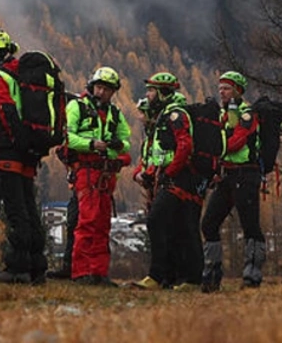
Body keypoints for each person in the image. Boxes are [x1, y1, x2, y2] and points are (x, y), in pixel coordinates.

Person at [0, 29, 48, 284]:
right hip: (27, 151)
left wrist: (14, 142)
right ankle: (38, 266)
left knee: (16, 211)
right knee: (28, 207)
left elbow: (5, 110)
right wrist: (28, 147)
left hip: (9, 150)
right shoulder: (19, 74)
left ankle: (18, 267)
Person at [132, 72, 202, 290]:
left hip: (179, 176)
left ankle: (162, 275)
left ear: (163, 92)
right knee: (179, 226)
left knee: (160, 221)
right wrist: (152, 173)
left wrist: (169, 172)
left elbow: (184, 146)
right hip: (169, 175)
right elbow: (161, 151)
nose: (148, 95)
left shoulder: (175, 115)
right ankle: (175, 277)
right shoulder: (165, 115)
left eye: (151, 90)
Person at [66, 66, 131, 286]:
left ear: (113, 92)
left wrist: (114, 147)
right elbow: (68, 137)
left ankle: (99, 272)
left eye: (107, 89)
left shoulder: (115, 114)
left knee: (103, 224)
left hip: (106, 173)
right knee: (87, 221)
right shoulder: (76, 107)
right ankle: (81, 272)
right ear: (92, 86)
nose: (101, 92)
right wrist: (91, 144)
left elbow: (126, 143)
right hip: (86, 170)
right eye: (99, 87)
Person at [201, 70, 265, 291]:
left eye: (226, 88)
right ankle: (211, 274)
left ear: (238, 90)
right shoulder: (224, 115)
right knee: (209, 223)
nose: (222, 91)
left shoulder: (248, 114)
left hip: (245, 174)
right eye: (220, 88)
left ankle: (252, 276)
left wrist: (215, 149)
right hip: (227, 175)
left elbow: (236, 142)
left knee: (250, 225)